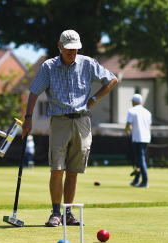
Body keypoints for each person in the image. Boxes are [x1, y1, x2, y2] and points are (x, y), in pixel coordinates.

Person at [21, 29, 118, 227]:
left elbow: (112, 80)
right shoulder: (48, 67)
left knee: (73, 170)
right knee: (57, 169)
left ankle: (68, 213)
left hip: (82, 121)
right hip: (59, 121)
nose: (72, 52)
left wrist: (94, 99)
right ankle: (56, 213)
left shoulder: (88, 63)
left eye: (75, 49)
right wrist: (28, 118)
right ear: (59, 46)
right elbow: (33, 93)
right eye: (68, 49)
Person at [125, 94, 152, 188]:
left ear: (134, 101)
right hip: (147, 138)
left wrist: (126, 132)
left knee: (140, 159)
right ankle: (136, 179)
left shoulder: (131, 111)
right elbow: (149, 126)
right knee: (138, 159)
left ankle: (145, 181)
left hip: (137, 138)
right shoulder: (147, 112)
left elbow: (128, 125)